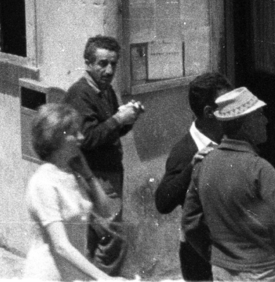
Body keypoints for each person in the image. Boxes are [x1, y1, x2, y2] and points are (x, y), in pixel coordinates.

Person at [183, 87, 275, 282]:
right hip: (262, 272)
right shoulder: (259, 168)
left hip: (222, 271)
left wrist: (215, 255)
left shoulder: (203, 165)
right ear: (245, 124)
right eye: (259, 115)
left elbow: (190, 223)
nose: (265, 120)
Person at [62, 35, 142, 274]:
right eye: (102, 63)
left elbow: (109, 129)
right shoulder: (81, 93)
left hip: (108, 174)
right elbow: (87, 138)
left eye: (113, 64)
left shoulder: (104, 90)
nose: (108, 70)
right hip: (97, 177)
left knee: (102, 239)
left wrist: (129, 117)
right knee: (111, 240)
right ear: (88, 63)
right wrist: (119, 119)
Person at [23, 103, 117, 281]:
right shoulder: (43, 183)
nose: (81, 138)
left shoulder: (73, 175)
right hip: (48, 275)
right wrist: (104, 278)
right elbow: (61, 245)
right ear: (57, 138)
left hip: (73, 275)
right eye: (74, 133)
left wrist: (87, 173)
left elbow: (106, 212)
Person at [155, 71, 232, 280]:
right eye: (226, 105)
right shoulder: (184, 151)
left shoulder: (231, 136)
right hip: (199, 255)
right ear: (209, 112)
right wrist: (192, 167)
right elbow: (162, 202)